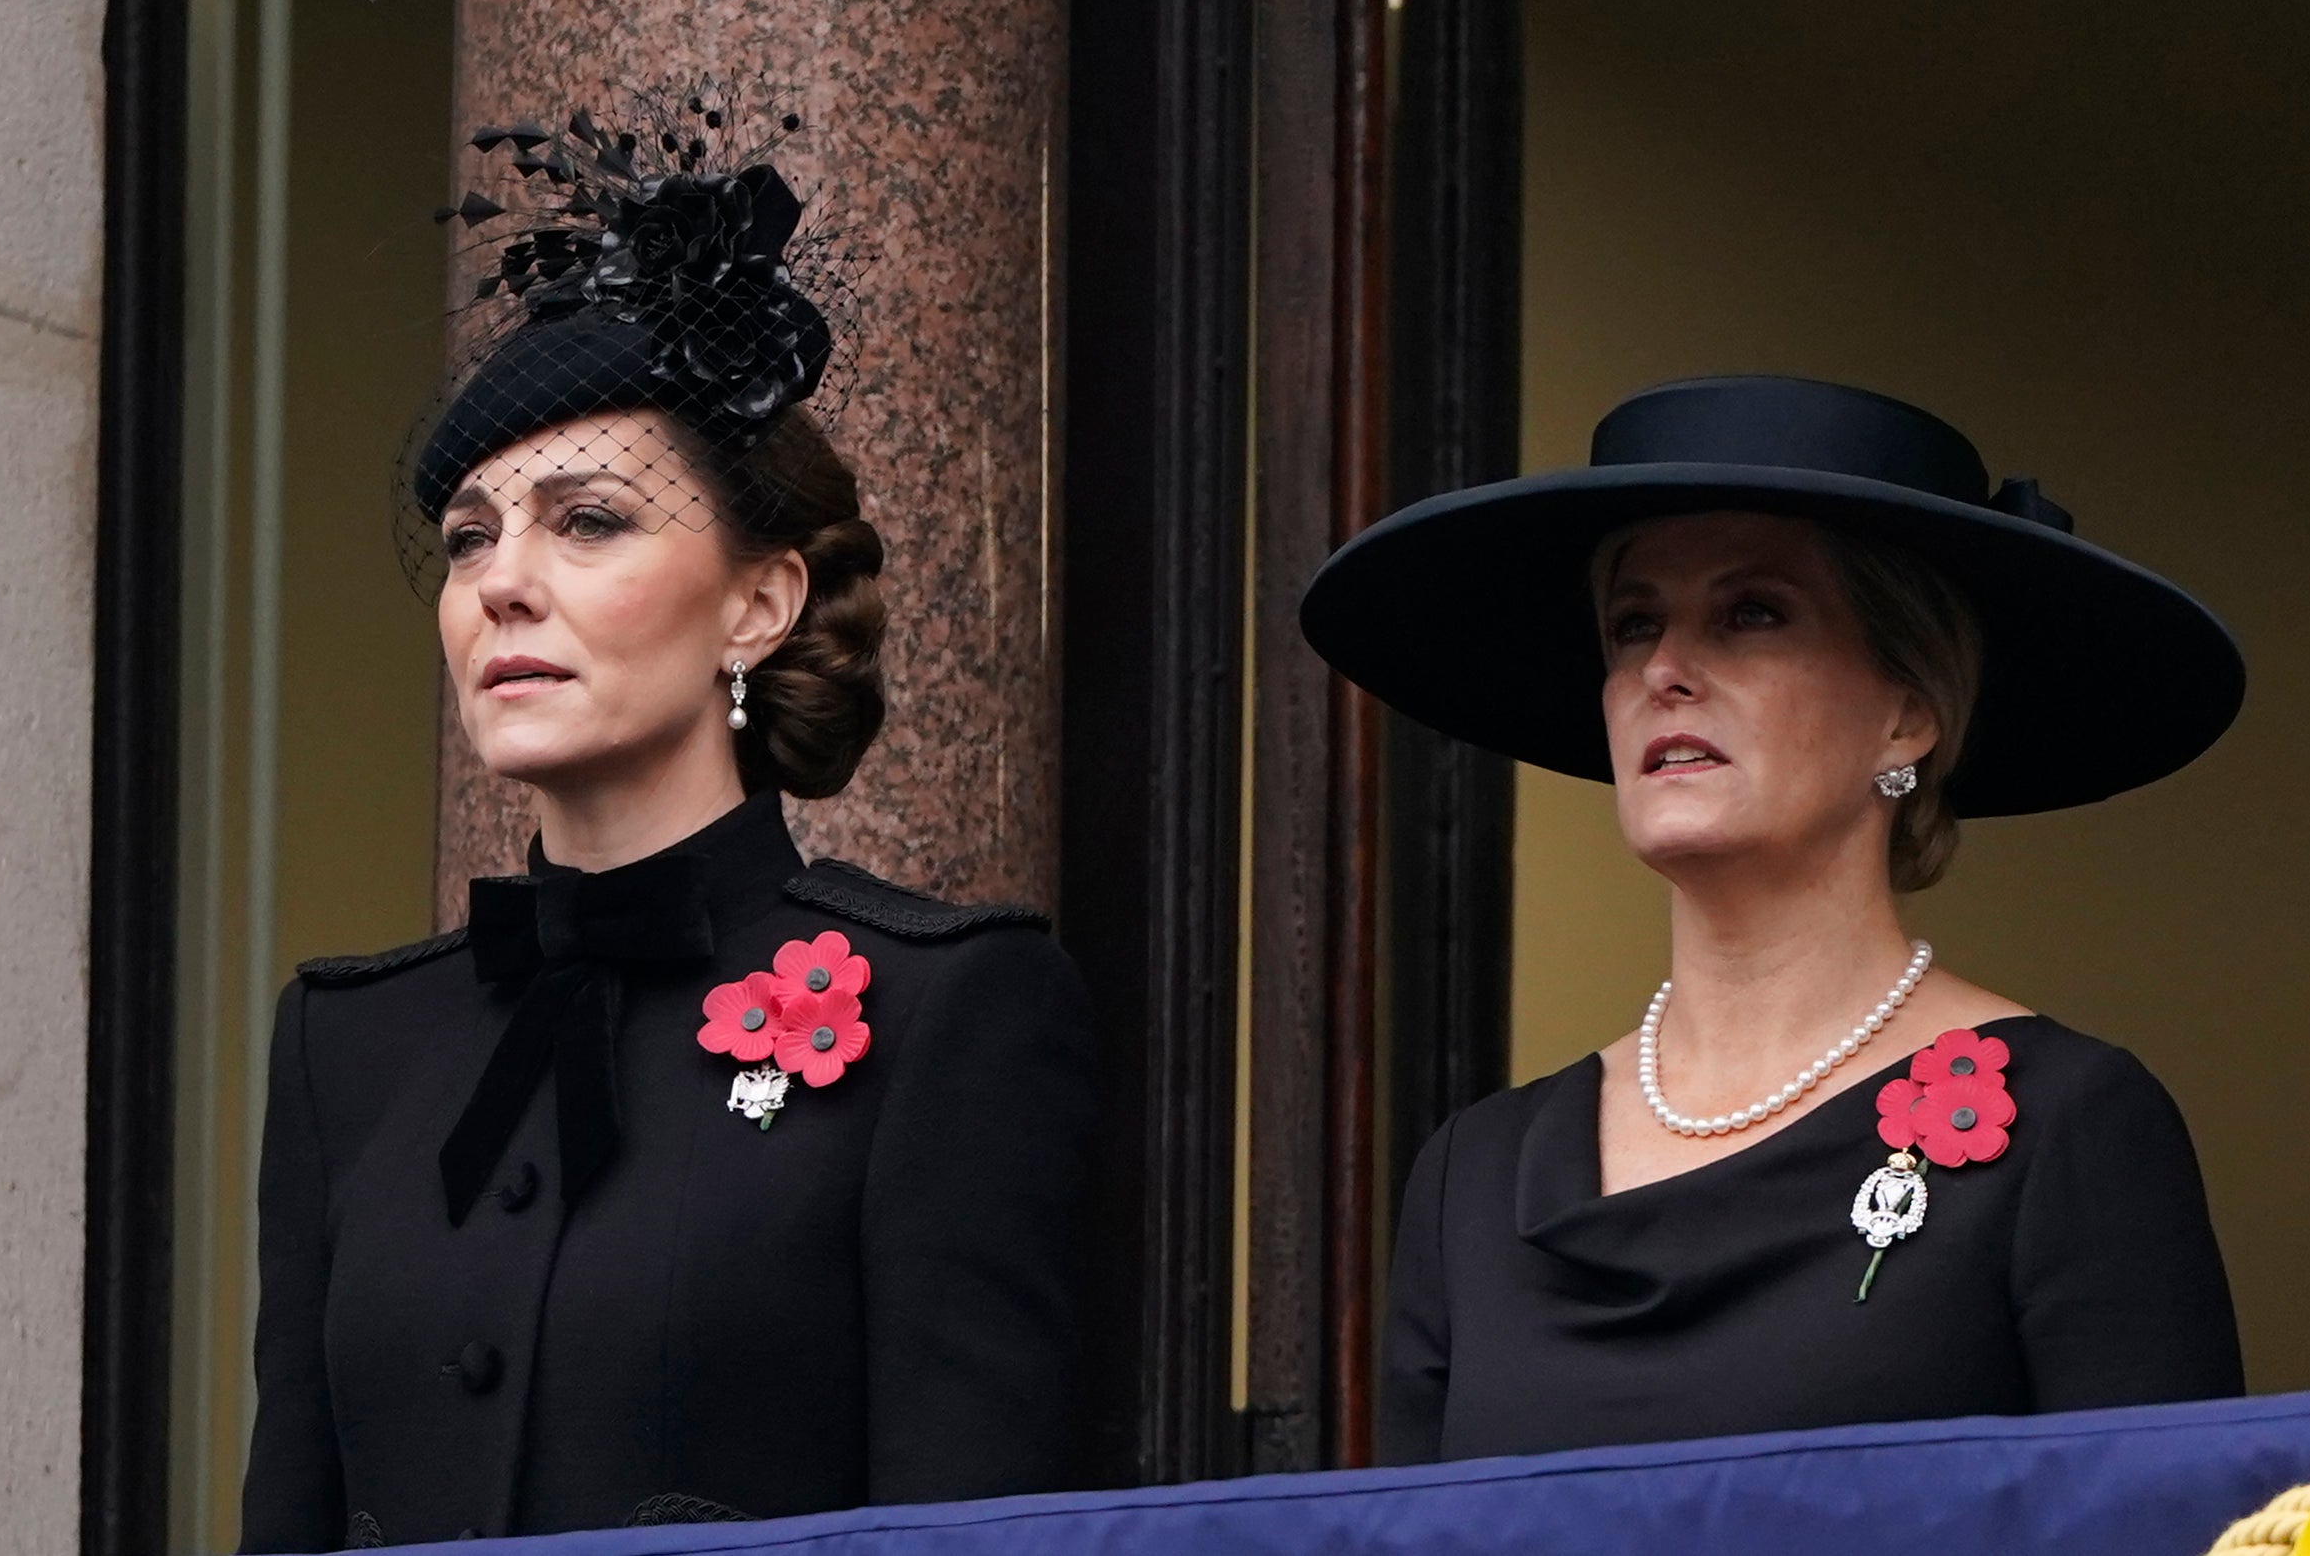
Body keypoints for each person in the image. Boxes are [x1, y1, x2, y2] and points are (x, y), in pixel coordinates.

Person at [240, 91, 1095, 1551]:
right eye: (468, 538)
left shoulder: (947, 1008)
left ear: (756, 604)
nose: (503, 580)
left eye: (588, 520)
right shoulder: (348, 1045)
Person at [1300, 375, 2246, 1463]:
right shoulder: (1475, 1172)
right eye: (1632, 622)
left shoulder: (2070, 1125)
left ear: (1909, 712)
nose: (1663, 669)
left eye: (1751, 613)